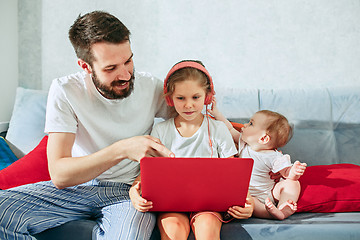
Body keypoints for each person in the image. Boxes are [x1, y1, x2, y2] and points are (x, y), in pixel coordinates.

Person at [0, 11, 174, 240]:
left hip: (127, 193)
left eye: (128, 61)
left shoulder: (150, 87)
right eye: (111, 68)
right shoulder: (65, 91)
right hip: (77, 188)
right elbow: (60, 174)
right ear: (85, 66)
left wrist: (236, 131)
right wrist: (123, 149)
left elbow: (197, 117)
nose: (125, 74)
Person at [129, 60, 255, 240]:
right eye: (181, 98)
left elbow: (234, 175)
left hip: (209, 205)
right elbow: (148, 171)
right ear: (170, 99)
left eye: (195, 97)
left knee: (207, 226)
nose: (188, 105)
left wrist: (247, 202)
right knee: (172, 230)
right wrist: (134, 191)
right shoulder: (160, 130)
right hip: (171, 205)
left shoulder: (218, 129)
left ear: (208, 97)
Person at [209, 102, 307, 220]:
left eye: (251, 124)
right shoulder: (243, 144)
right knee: (250, 203)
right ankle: (271, 213)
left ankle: (282, 208)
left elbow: (286, 173)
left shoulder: (274, 156)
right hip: (250, 195)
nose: (244, 125)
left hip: (270, 193)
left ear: (263, 138)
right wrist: (216, 113)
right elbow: (229, 128)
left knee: (292, 183)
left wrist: (294, 172)